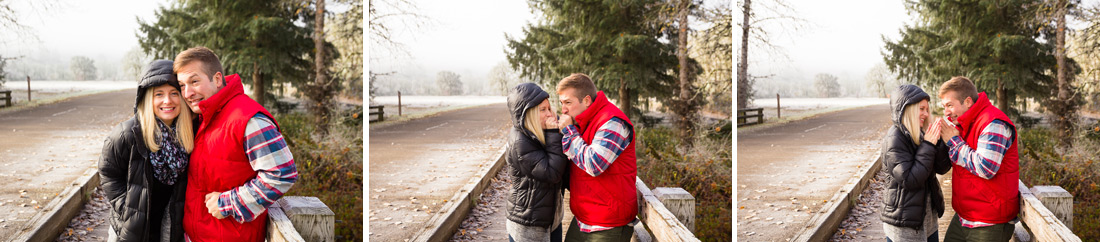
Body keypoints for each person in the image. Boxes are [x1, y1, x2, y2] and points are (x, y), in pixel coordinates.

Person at [175, 47, 297, 241]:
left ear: (216, 79)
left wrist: (228, 203)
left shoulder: (248, 120)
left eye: (194, 81)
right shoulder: (204, 118)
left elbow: (283, 174)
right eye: (182, 85)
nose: (187, 93)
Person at [100, 59, 194, 242]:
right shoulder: (127, 134)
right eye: (159, 94)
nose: (167, 101)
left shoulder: (189, 133)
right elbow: (107, 172)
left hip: (169, 228)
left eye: (174, 93)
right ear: (147, 98)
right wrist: (127, 208)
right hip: (131, 228)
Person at [934, 77, 1020, 242]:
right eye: (944, 106)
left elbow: (986, 168)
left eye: (950, 105)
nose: (946, 112)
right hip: (965, 216)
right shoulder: (965, 124)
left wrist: (954, 142)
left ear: (967, 102)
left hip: (989, 221)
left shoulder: (993, 123)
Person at [555, 73, 638, 242]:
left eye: (568, 102)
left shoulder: (613, 122)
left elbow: (594, 164)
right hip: (583, 218)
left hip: (608, 224)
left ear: (586, 100)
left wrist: (569, 132)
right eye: (561, 103)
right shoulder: (583, 121)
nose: (563, 109)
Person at [880, 84, 953, 242]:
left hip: (927, 219)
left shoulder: (919, 133)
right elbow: (910, 180)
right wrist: (928, 145)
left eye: (927, 110)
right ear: (908, 109)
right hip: (905, 223)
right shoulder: (895, 139)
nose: (926, 114)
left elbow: (942, 168)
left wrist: (939, 142)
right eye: (921, 109)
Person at [505, 83, 570, 242]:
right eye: (543, 110)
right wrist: (554, 133)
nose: (550, 114)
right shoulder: (520, 142)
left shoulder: (538, 133)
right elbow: (552, 173)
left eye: (549, 108)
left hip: (550, 218)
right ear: (528, 114)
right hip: (529, 224)